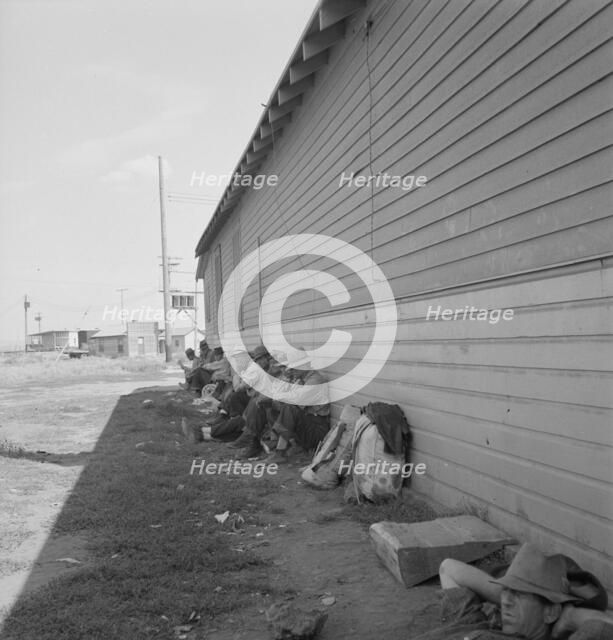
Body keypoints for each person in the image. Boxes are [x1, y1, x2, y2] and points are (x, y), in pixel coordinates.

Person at [410, 543, 613, 639]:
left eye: (520, 593)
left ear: (551, 612)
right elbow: (449, 568)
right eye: (506, 590)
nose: (507, 600)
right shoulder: (477, 619)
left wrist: (570, 616)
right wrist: (505, 598)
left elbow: (601, 628)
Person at [267, 349, 330, 462]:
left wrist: (278, 396)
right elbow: (287, 395)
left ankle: (280, 452)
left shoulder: (316, 379)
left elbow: (297, 398)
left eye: (295, 368)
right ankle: (293, 445)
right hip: (309, 425)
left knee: (290, 408)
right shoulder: (302, 379)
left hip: (318, 429)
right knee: (273, 407)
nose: (292, 371)